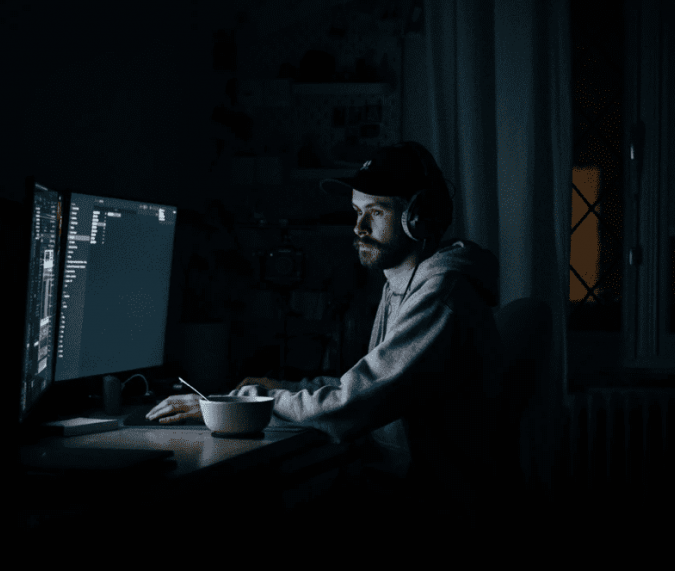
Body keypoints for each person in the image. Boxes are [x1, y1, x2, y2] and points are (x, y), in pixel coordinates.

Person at [147, 141, 505, 531]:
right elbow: (369, 384)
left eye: (376, 212)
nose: (359, 228)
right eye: (356, 212)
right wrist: (280, 389)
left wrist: (238, 405)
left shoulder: (441, 295)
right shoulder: (404, 285)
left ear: (418, 219)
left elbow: (352, 405)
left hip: (432, 509)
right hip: (402, 492)